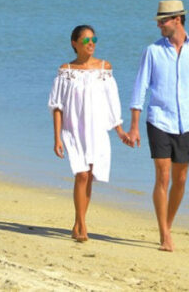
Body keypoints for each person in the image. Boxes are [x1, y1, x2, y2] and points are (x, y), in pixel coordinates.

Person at [126, 0, 189, 252]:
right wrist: (134, 126)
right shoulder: (152, 51)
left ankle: (168, 223)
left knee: (181, 178)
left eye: (163, 21)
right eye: (159, 21)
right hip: (159, 120)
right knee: (163, 176)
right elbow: (140, 87)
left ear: (177, 20)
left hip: (187, 123)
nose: (159, 25)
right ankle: (164, 234)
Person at [48, 25, 132, 242]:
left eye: (93, 39)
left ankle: (78, 222)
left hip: (97, 130)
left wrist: (120, 129)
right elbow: (57, 107)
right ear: (74, 44)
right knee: (81, 173)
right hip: (73, 129)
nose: (91, 43)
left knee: (90, 175)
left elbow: (112, 101)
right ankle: (82, 224)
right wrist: (57, 137)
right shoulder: (66, 71)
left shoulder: (104, 69)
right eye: (85, 40)